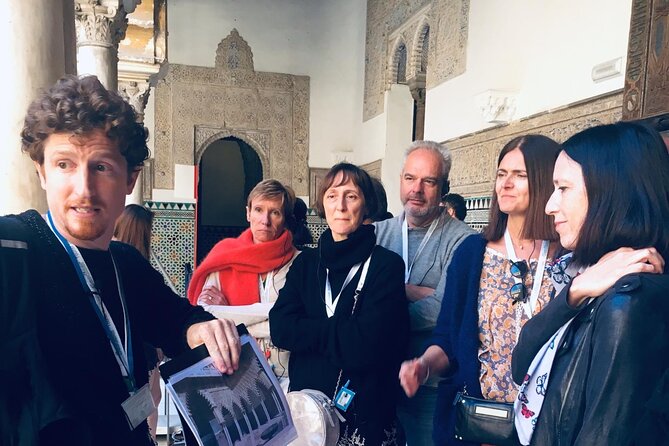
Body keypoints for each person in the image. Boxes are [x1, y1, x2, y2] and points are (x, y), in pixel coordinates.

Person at [2, 75, 240, 446]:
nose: (83, 189)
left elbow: (174, 317)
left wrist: (199, 329)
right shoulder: (15, 250)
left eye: (101, 167)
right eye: (64, 164)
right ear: (42, 172)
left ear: (130, 179)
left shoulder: (125, 263)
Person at [511, 122, 669, 445]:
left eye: (563, 189)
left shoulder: (629, 303)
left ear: (610, 192)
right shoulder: (588, 279)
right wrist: (577, 289)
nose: (549, 205)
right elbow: (521, 365)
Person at [398, 134, 562, 445]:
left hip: (545, 427)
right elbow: (447, 337)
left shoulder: (566, 258)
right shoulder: (474, 253)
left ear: (545, 181)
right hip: (477, 423)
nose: (505, 184)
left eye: (519, 175)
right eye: (502, 174)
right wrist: (423, 365)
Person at [270, 162, 410, 445]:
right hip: (308, 420)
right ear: (322, 203)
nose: (341, 206)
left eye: (352, 196)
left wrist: (309, 333)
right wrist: (341, 331)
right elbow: (281, 328)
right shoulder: (307, 264)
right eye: (332, 196)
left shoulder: (386, 266)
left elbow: (365, 346)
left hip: (365, 419)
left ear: (366, 204)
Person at [374, 140, 474, 444]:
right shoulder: (379, 233)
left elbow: (444, 308)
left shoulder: (464, 242)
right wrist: (414, 291)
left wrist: (385, 308)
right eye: (410, 178)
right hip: (378, 375)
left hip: (429, 385)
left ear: (443, 187)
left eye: (428, 181)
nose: (416, 189)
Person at [187, 179, 299, 378]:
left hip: (289, 375)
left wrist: (229, 315)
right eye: (258, 210)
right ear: (248, 213)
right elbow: (206, 315)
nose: (265, 220)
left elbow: (301, 323)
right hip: (237, 373)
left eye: (275, 212)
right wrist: (278, 313)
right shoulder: (224, 257)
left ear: (285, 218)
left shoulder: (300, 263)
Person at [113, 204, 162, 442]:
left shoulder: (111, 264)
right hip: (141, 354)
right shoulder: (139, 273)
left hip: (131, 354)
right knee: (149, 407)